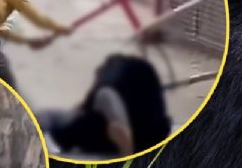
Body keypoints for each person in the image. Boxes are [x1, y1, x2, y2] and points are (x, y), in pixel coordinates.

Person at [37, 54, 172, 157]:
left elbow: (119, 129)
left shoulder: (106, 93)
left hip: (113, 142)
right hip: (149, 137)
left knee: (46, 118)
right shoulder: (140, 85)